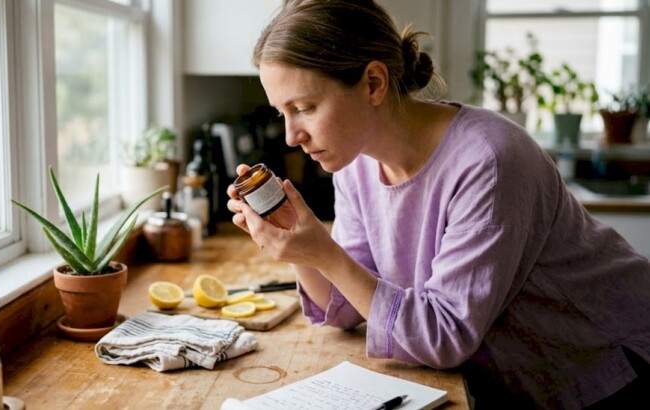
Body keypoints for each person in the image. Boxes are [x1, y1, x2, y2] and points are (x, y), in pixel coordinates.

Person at [225, 1, 650, 409]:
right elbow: (353, 306)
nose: (290, 135)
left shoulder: (489, 159)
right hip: (516, 379)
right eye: (283, 112)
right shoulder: (355, 165)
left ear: (373, 83)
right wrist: (295, 241)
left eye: (304, 108)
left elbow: (444, 336)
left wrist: (324, 253)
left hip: (610, 367)